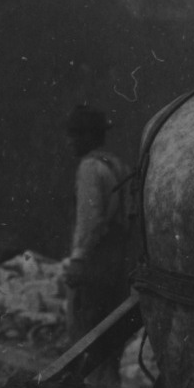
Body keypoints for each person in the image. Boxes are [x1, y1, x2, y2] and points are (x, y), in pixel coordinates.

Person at [59, 102, 138, 341]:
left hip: (95, 262)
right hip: (119, 261)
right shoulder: (118, 165)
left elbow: (90, 219)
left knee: (84, 332)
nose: (69, 142)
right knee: (108, 336)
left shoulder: (89, 168)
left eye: (74, 135)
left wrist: (79, 259)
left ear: (88, 136)